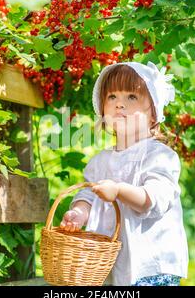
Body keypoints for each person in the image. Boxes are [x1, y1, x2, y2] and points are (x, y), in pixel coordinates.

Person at [59, 61, 188, 286]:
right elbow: (88, 195)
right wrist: (79, 213)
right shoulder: (100, 161)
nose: (120, 105)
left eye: (131, 97)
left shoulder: (159, 156)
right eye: (112, 97)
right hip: (110, 265)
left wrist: (119, 190)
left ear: (153, 113)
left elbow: (153, 200)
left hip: (151, 264)